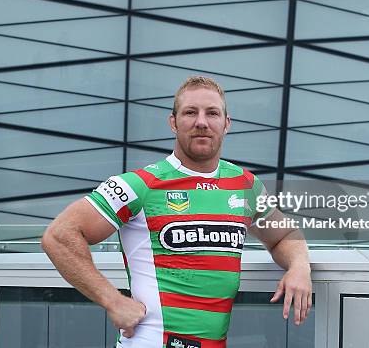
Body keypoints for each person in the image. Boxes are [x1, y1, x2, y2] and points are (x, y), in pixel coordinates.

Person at [42, 76, 312, 348]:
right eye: (190, 112)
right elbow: (59, 235)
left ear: (226, 124)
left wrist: (299, 267)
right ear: (173, 122)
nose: (202, 122)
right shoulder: (140, 184)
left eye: (213, 113)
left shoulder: (245, 185)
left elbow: (284, 234)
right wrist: (112, 300)